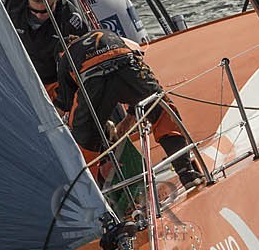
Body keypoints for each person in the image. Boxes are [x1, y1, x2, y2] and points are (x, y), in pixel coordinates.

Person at [57, 29, 202, 190]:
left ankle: (97, 197)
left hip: (93, 83)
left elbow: (67, 107)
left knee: (84, 142)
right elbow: (140, 69)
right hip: (127, 66)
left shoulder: (66, 57)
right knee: (161, 111)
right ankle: (187, 172)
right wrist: (129, 118)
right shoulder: (107, 34)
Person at [2, 0, 85, 98]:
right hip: (18, 76)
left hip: (53, 83)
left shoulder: (71, 20)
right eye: (34, 10)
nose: (39, 15)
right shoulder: (9, 2)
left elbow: (84, 55)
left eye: (46, 11)